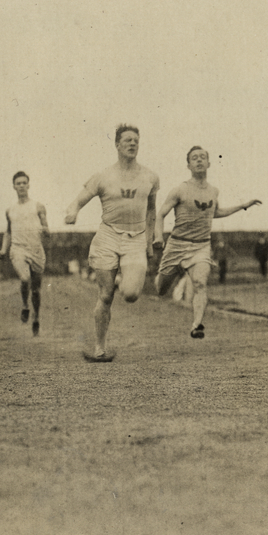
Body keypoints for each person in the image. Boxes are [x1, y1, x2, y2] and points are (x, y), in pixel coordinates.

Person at [64, 124, 161, 361]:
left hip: (136, 239)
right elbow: (78, 201)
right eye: (127, 140)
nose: (132, 143)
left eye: (135, 140)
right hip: (107, 237)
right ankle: (99, 347)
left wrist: (151, 241)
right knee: (106, 295)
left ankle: (123, 273)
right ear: (117, 144)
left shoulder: (150, 177)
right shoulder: (103, 176)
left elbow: (151, 211)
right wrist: (72, 212)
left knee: (130, 294)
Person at [154, 145, 261, 338]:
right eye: (194, 158)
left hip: (201, 246)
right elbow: (160, 214)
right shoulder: (179, 190)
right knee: (160, 289)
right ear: (188, 165)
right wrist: (158, 237)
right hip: (177, 244)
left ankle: (196, 325)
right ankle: (173, 271)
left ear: (209, 163)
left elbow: (215, 213)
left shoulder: (214, 191)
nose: (199, 160)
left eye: (203, 157)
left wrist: (242, 206)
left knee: (200, 283)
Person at [0, 170, 49, 336]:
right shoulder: (9, 210)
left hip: (36, 250)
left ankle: (36, 318)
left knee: (36, 290)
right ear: (13, 186)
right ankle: (25, 306)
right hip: (18, 249)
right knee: (25, 278)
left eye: (24, 183)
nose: (21, 186)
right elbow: (8, 232)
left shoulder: (38, 206)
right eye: (18, 183)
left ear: (28, 185)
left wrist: (46, 229)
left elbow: (46, 227)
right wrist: (4, 249)